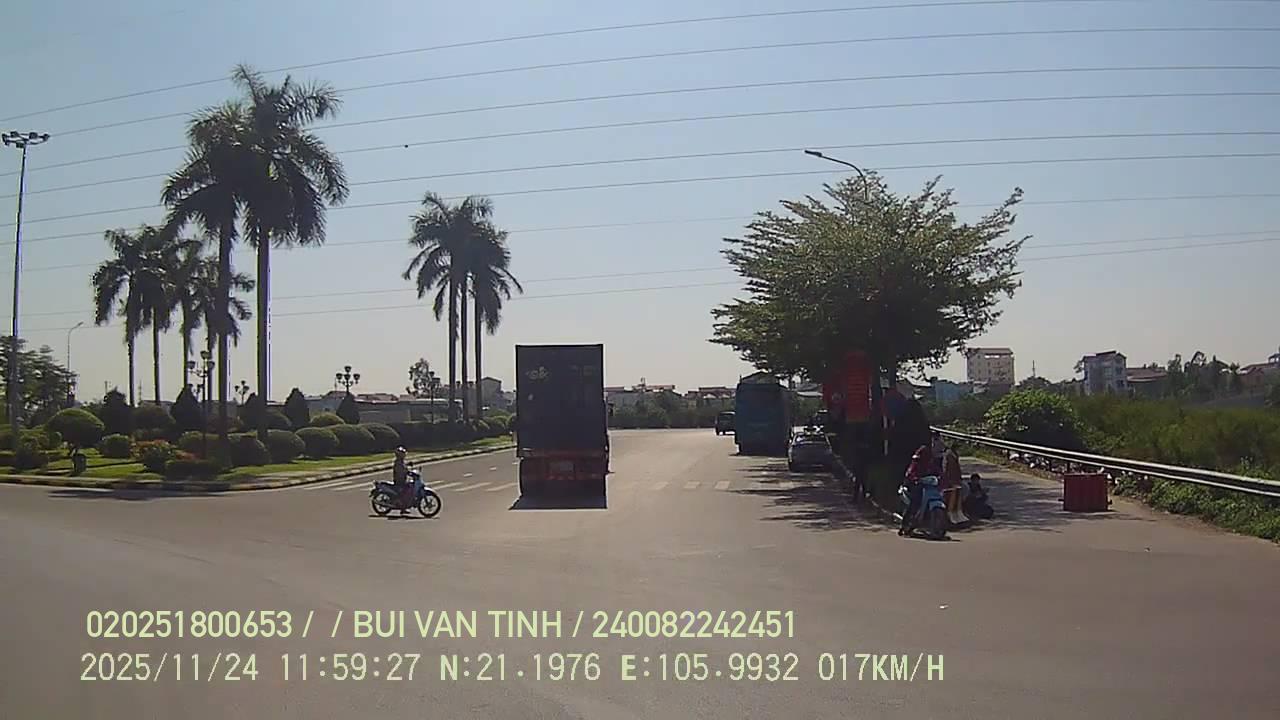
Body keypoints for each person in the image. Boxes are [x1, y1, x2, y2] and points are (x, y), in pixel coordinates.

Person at [899, 445, 938, 536]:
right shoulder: (915, 463)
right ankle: (904, 525)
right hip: (912, 485)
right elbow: (910, 473)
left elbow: (937, 471)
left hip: (925, 485)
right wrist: (915, 478)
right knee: (914, 504)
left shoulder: (929, 464)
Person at [392, 446, 412, 516]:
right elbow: (401, 471)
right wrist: (407, 472)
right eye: (402, 454)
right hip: (399, 481)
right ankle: (402, 507)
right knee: (405, 491)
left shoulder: (401, 461)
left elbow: (404, 467)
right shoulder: (398, 462)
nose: (404, 455)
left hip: (402, 480)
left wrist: (408, 466)